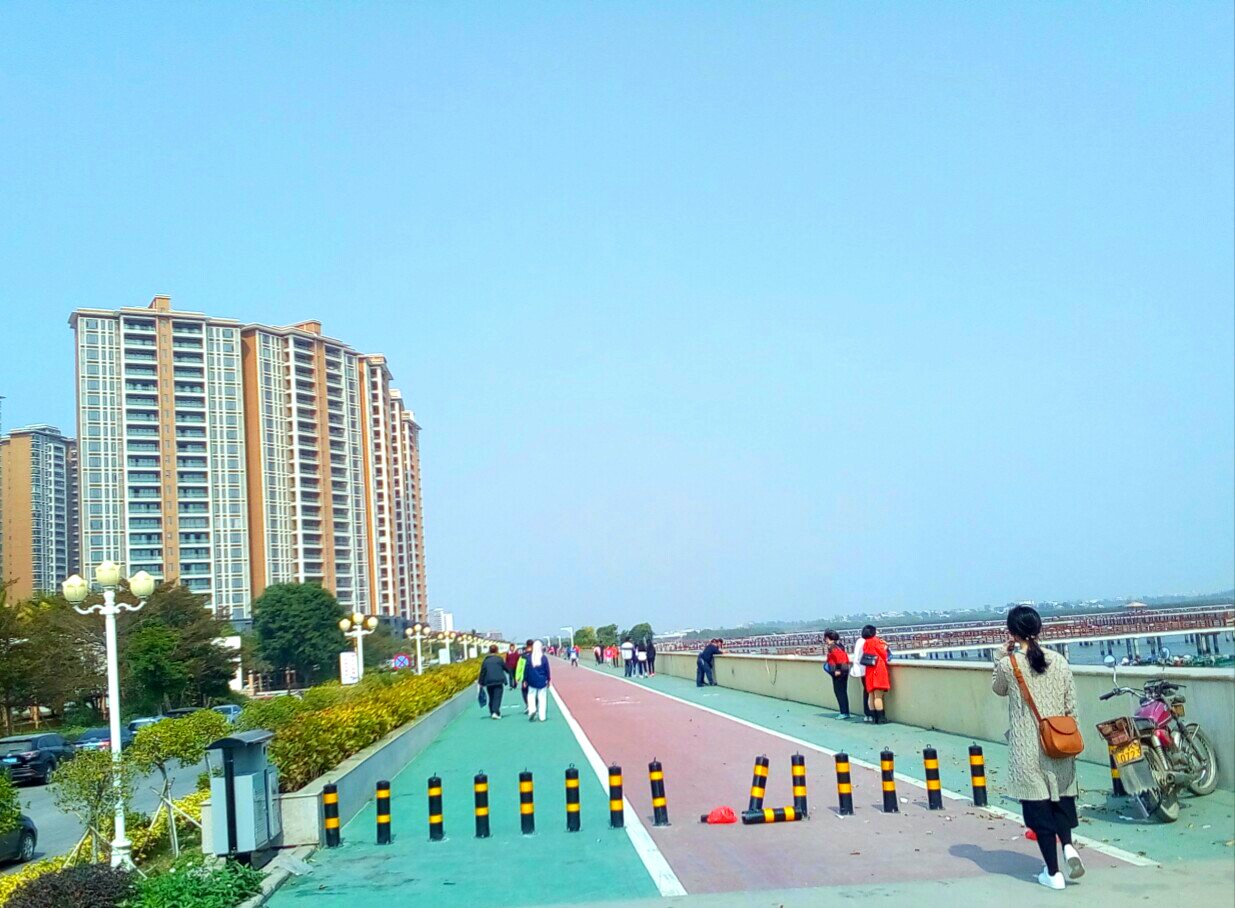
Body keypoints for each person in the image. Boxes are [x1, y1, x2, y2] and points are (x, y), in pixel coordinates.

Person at [993, 605, 1084, 891]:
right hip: (1059, 742)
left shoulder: (1009, 664)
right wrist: (1070, 737)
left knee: (1039, 809)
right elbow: (1071, 705)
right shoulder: (1059, 661)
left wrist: (999, 656)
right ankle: (1068, 846)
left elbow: (998, 689)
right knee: (1061, 799)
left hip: (1028, 748)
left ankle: (1053, 874)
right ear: (1039, 628)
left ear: (1012, 632)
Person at [860, 625, 891, 724]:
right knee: (878, 696)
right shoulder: (875, 641)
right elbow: (883, 654)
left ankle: (873, 717)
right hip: (878, 668)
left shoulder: (865, 643)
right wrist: (885, 647)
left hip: (869, 669)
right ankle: (881, 717)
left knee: (871, 694)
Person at [822, 630, 851, 719]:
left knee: (839, 692)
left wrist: (838, 670)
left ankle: (844, 712)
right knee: (842, 692)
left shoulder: (833, 647)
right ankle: (845, 711)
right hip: (843, 670)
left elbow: (840, 659)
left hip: (839, 672)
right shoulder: (839, 646)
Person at [524, 639, 552, 722]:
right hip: (542, 680)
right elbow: (547, 670)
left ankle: (532, 710)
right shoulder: (544, 658)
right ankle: (542, 716)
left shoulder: (529, 658)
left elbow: (526, 669)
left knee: (531, 695)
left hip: (531, 680)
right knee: (542, 698)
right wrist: (548, 679)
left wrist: (525, 679)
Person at [478, 644, 508, 720]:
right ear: (497, 651)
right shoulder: (499, 659)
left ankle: (491, 711)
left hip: (489, 681)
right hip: (498, 680)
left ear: (489, 651)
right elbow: (505, 668)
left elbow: (483, 672)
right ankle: (495, 712)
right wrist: (511, 673)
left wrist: (480, 682)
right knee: (497, 697)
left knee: (491, 696)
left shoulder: (486, 661)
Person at [516, 639, 533, 705]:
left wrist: (517, 677)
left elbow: (519, 667)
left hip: (524, 677)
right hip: (534, 675)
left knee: (525, 691)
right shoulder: (536, 655)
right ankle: (533, 704)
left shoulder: (523, 656)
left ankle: (528, 704)